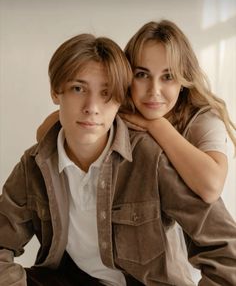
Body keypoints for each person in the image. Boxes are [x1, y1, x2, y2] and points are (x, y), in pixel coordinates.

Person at [1, 33, 236, 286]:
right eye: (78, 89)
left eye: (106, 93)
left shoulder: (152, 158)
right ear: (56, 92)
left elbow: (226, 253)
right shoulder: (35, 163)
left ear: (120, 99)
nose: (92, 107)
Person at [120, 19, 236, 204]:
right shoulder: (115, 112)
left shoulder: (204, 118)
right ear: (128, 77)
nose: (154, 90)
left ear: (183, 81)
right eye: (142, 75)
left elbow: (211, 188)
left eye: (168, 77)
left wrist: (156, 125)